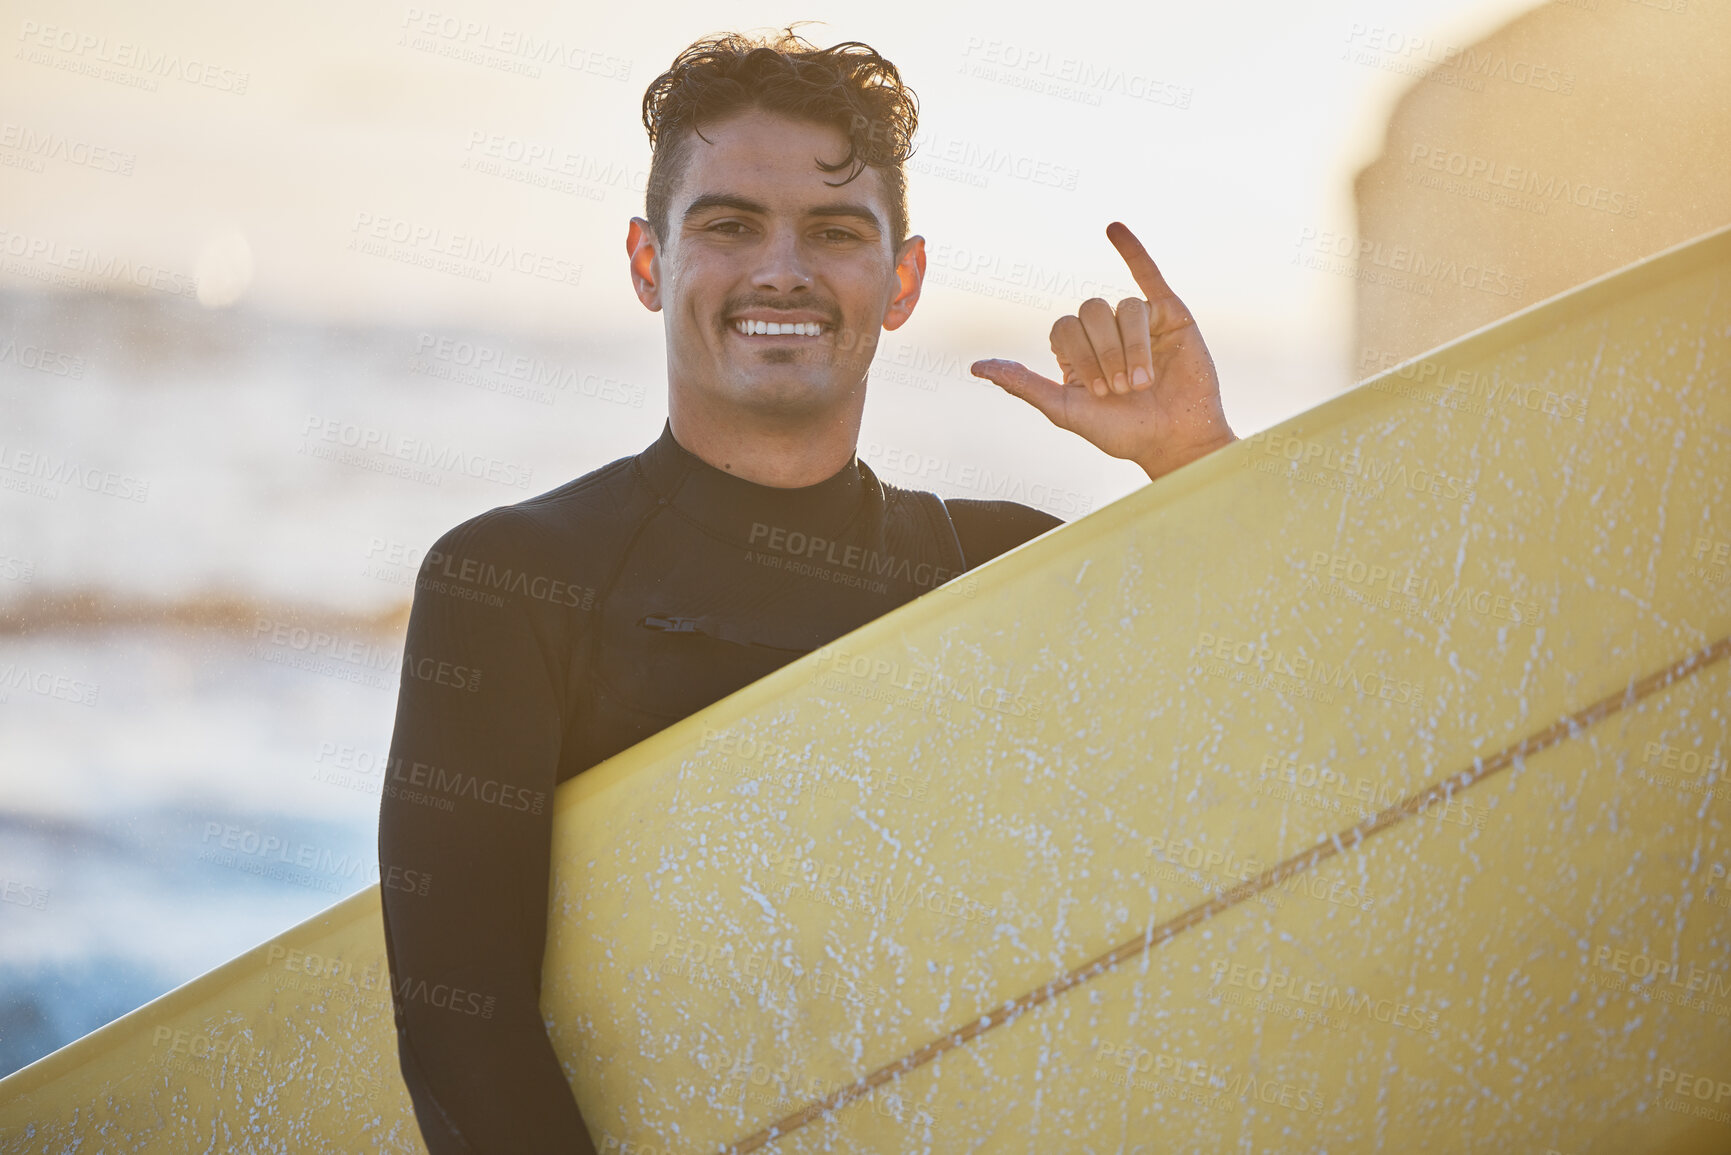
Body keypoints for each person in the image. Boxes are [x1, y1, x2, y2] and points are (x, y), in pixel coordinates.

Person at [377, 27, 1236, 1154]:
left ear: (903, 281)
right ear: (648, 262)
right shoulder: (512, 584)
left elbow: (1284, 735)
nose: (782, 270)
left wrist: (1199, 461)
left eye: (834, 232)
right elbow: (461, 1031)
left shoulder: (1004, 573)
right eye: (730, 225)